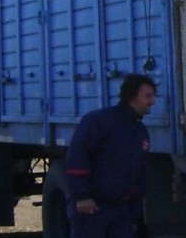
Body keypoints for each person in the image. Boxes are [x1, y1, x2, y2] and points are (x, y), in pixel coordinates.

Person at [65, 73, 157, 238]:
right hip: (92, 209)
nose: (153, 101)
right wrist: (82, 197)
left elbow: (140, 176)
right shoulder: (99, 121)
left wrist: (134, 216)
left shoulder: (140, 132)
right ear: (131, 96)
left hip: (120, 212)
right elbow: (78, 157)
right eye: (148, 96)